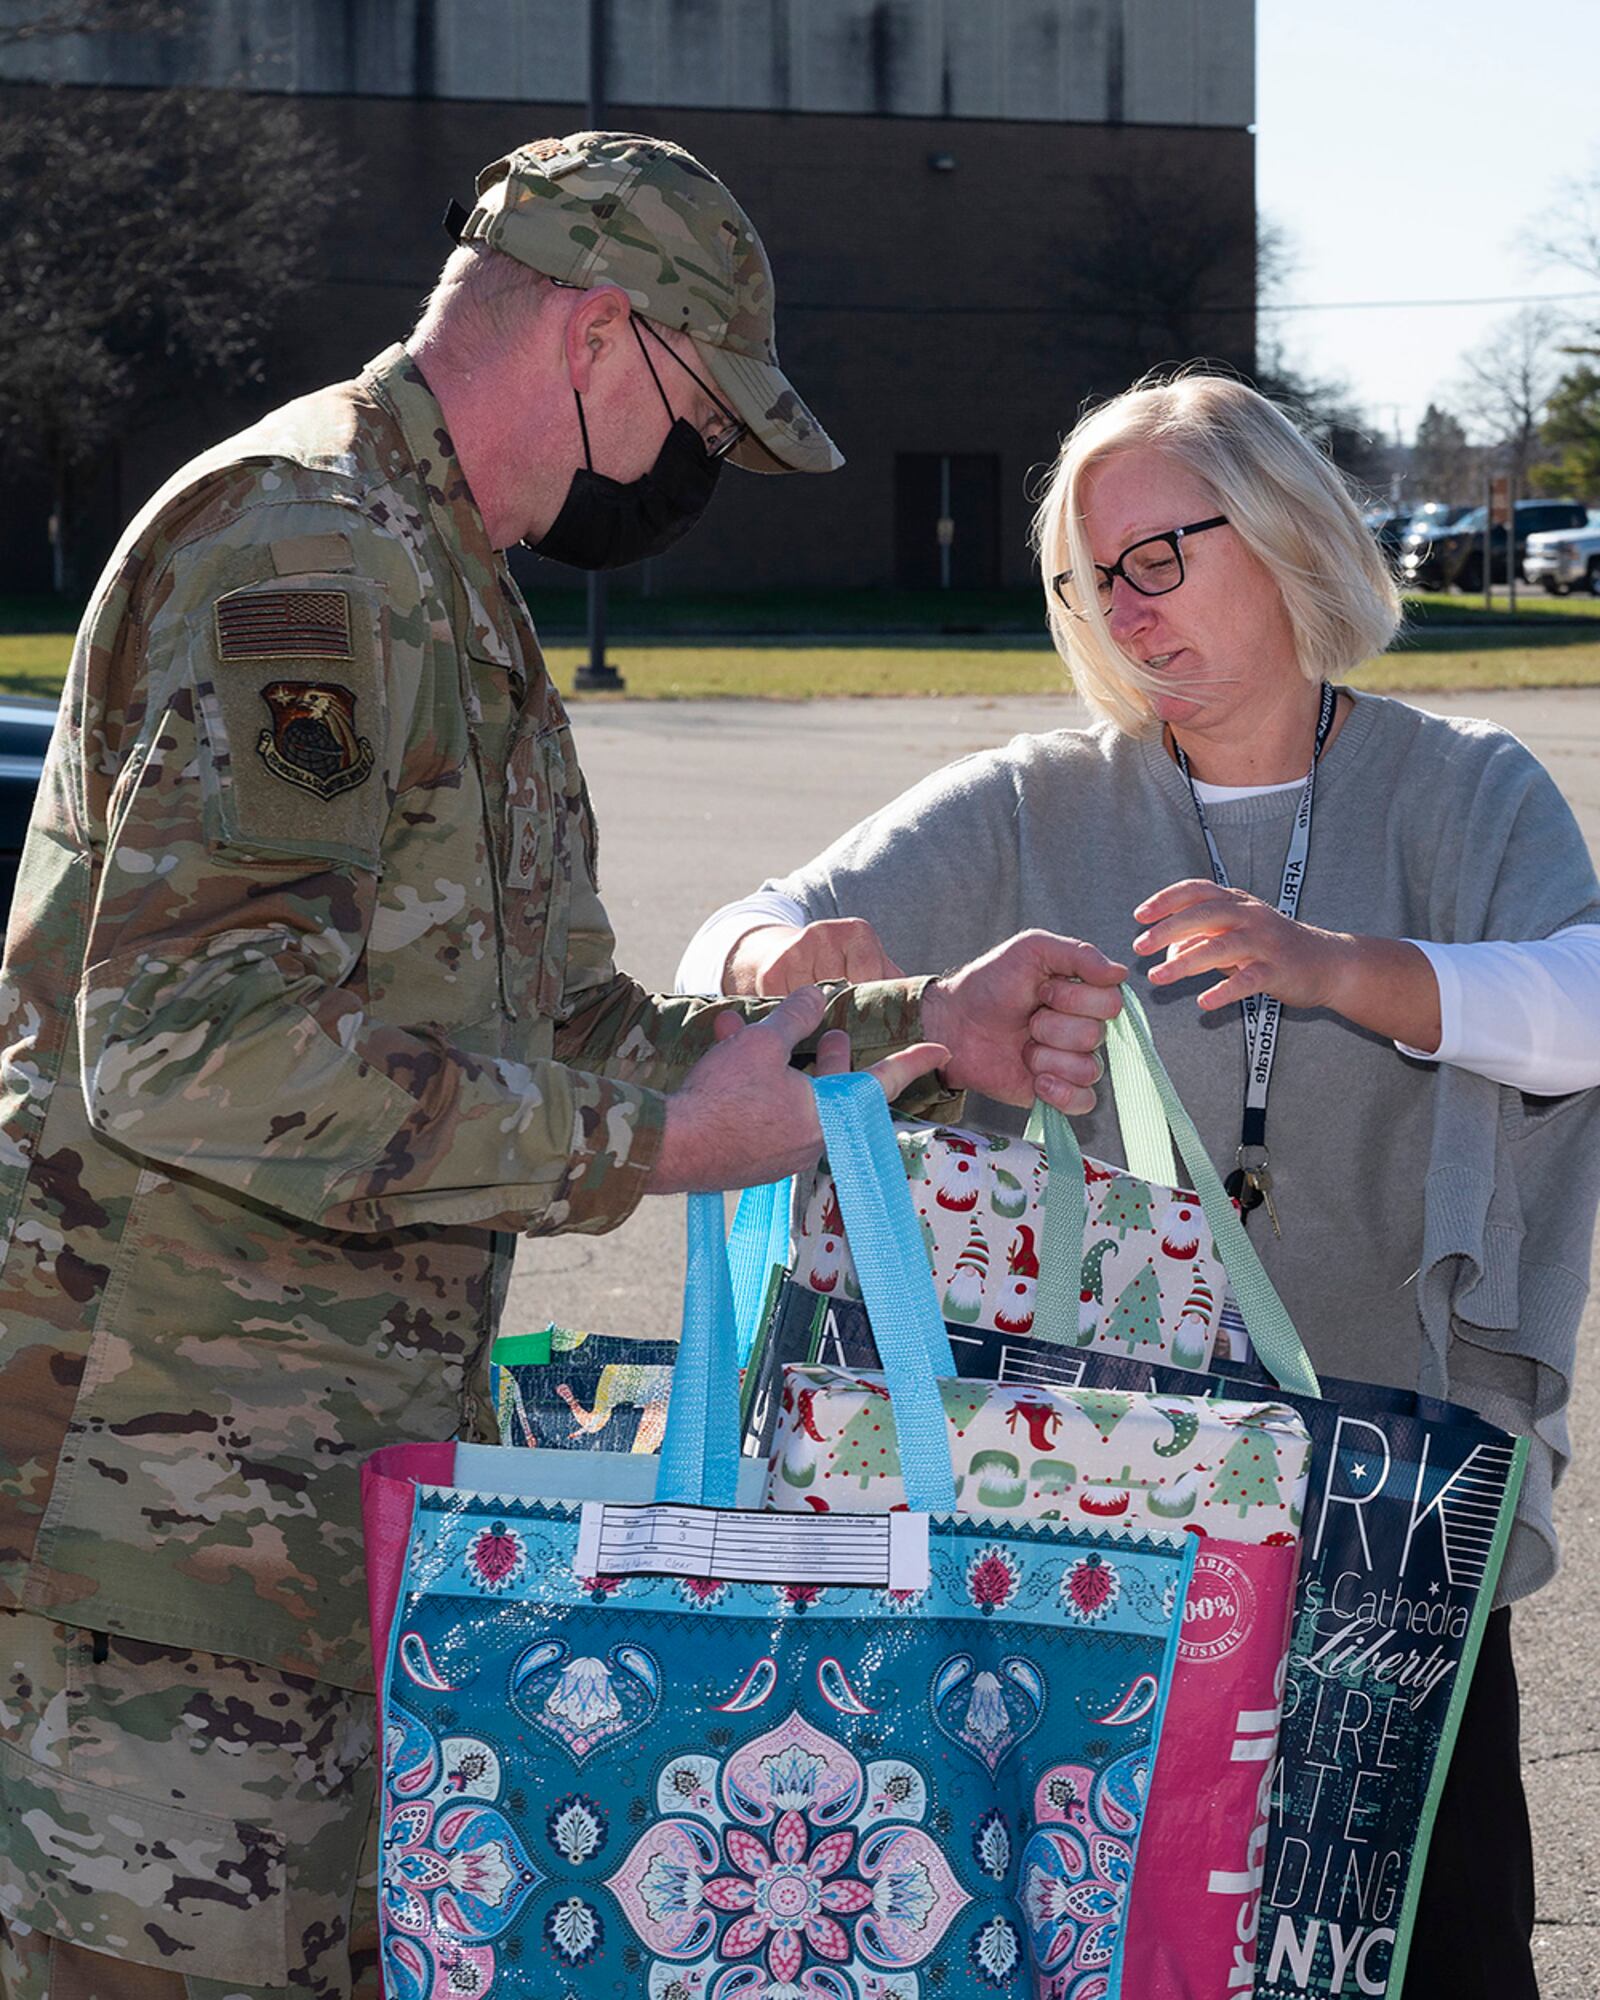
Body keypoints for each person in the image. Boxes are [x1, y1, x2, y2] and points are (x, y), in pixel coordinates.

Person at [0, 133, 1122, 2000]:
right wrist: (656, 1147)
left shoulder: (442, 579)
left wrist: (925, 1038)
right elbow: (196, 1052)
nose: (707, 475)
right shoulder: (307, 548)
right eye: (705, 416)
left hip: (297, 1510)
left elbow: (568, 1023)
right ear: (603, 333)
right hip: (150, 1531)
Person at [679, 370, 1600, 1997]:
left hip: (1392, 1520)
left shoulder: (1465, 786)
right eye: (1091, 575)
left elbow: (1579, 1008)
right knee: (1109, 1942)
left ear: (1284, 531)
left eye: (1159, 557)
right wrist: (783, 949)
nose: (1124, 607)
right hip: (1096, 1514)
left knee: (1431, 1949)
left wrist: (1341, 969)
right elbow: (725, 943)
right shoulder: (1036, 801)